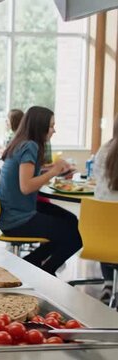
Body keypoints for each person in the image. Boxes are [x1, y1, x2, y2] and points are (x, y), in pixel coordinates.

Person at [0, 106, 82, 276]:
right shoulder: (30, 146)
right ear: (40, 126)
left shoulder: (22, 143)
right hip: (17, 219)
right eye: (51, 126)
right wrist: (53, 171)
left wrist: (57, 171)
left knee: (72, 222)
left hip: (12, 212)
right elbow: (26, 186)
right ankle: (44, 271)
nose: (54, 130)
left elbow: (26, 176)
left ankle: (30, 265)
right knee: (77, 235)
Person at [93, 115, 118, 303]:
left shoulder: (104, 149)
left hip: (99, 236)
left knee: (107, 224)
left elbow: (96, 178)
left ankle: (109, 282)